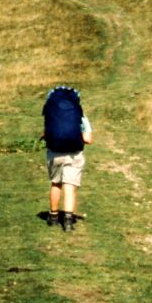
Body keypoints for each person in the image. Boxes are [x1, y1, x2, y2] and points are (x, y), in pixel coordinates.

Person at [43, 86, 93, 232]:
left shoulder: (51, 114)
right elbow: (88, 139)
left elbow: (47, 135)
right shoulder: (81, 116)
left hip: (55, 153)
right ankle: (68, 221)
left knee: (56, 184)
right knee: (69, 187)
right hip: (74, 154)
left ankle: (53, 217)